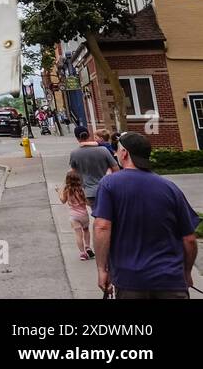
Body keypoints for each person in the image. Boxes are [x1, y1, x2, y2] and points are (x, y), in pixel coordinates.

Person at [93, 132, 199, 299]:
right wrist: (186, 272)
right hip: (170, 280)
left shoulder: (109, 184)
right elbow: (189, 239)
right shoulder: (170, 188)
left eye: (118, 150)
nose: (116, 153)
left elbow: (102, 226)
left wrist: (101, 268)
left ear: (125, 153)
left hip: (130, 281)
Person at [69, 127, 117, 255]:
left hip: (89, 193)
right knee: (112, 216)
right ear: (89, 135)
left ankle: (103, 246)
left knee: (99, 218)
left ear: (77, 137)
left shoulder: (74, 153)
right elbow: (115, 168)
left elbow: (74, 174)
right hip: (107, 189)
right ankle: (114, 242)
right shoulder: (103, 150)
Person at [57, 170, 93, 260]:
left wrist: (58, 192)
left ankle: (82, 253)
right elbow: (88, 203)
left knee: (78, 234)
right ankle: (88, 247)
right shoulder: (82, 190)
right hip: (84, 215)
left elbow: (63, 201)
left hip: (74, 217)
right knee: (86, 230)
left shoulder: (67, 190)